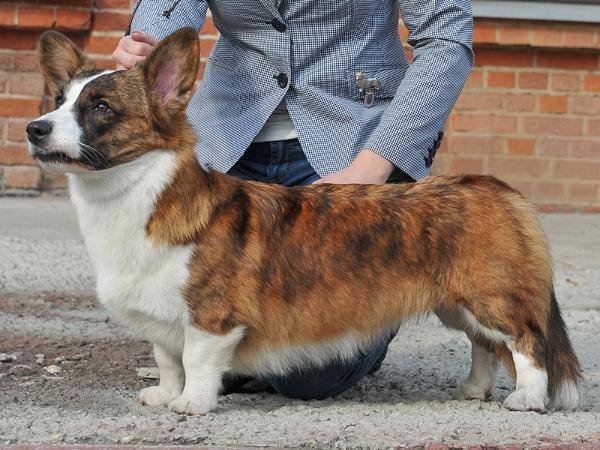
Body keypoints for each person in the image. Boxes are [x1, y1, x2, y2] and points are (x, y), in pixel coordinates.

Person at [112, 0, 473, 400]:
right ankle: (239, 349)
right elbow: (167, 10)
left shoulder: (365, 165)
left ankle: (383, 303)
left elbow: (446, 37)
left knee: (309, 377)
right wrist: (148, 47)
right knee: (200, 334)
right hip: (228, 142)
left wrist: (371, 168)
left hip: (356, 143)